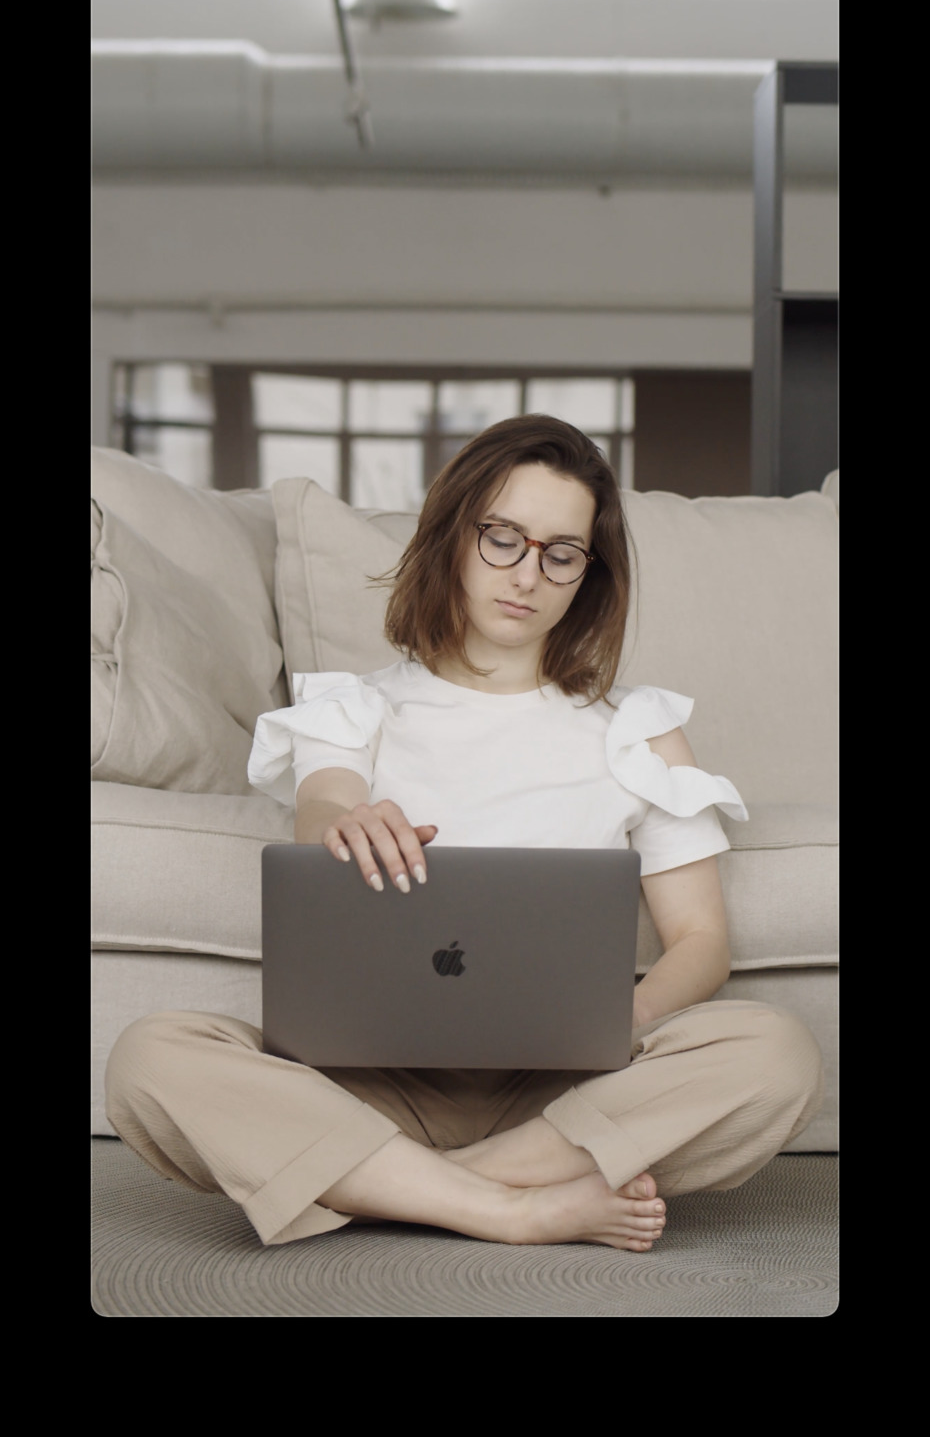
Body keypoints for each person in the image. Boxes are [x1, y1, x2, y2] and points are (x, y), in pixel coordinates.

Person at [105, 415, 823, 1251]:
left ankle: (390, 1183)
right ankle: (505, 1206)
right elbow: (325, 808)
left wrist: (618, 1024)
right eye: (503, 538)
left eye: (560, 552)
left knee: (776, 1053)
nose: (528, 574)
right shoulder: (351, 710)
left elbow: (701, 942)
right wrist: (351, 819)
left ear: (587, 575)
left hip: (559, 1090)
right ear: (452, 537)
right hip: (368, 1082)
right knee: (149, 1057)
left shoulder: (640, 731)